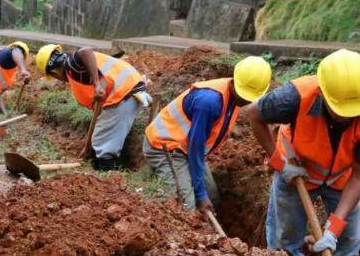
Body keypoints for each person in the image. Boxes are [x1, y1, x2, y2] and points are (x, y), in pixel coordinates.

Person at [247, 49, 360, 255]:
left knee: (350, 243)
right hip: (295, 170)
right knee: (285, 242)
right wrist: (281, 163)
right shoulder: (294, 97)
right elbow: (253, 113)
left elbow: (359, 177)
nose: (346, 118)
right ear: (323, 92)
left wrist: (333, 229)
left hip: (342, 181)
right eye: (339, 110)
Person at [143, 56, 272, 212]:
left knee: (213, 198)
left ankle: (205, 234)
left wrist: (204, 195)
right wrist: (200, 194)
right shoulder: (209, 102)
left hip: (185, 149)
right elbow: (195, 149)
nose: (245, 101)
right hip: (165, 146)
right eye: (243, 96)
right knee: (186, 206)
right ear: (235, 82)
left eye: (249, 98)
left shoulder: (233, 97)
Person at [35, 45, 152, 171]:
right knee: (100, 136)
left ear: (54, 72)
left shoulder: (71, 64)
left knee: (104, 142)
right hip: (129, 91)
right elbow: (102, 93)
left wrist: (96, 85)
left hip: (125, 93)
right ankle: (100, 168)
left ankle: (107, 175)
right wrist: (88, 146)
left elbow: (85, 51)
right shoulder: (78, 71)